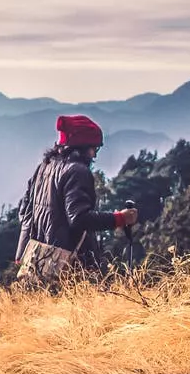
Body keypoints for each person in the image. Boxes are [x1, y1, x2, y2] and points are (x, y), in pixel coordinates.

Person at [14, 114, 138, 284]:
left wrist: (23, 252)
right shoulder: (77, 171)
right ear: (82, 147)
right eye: (94, 148)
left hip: (37, 260)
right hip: (67, 264)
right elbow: (79, 219)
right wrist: (119, 219)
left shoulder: (44, 167)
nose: (94, 155)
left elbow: (25, 212)